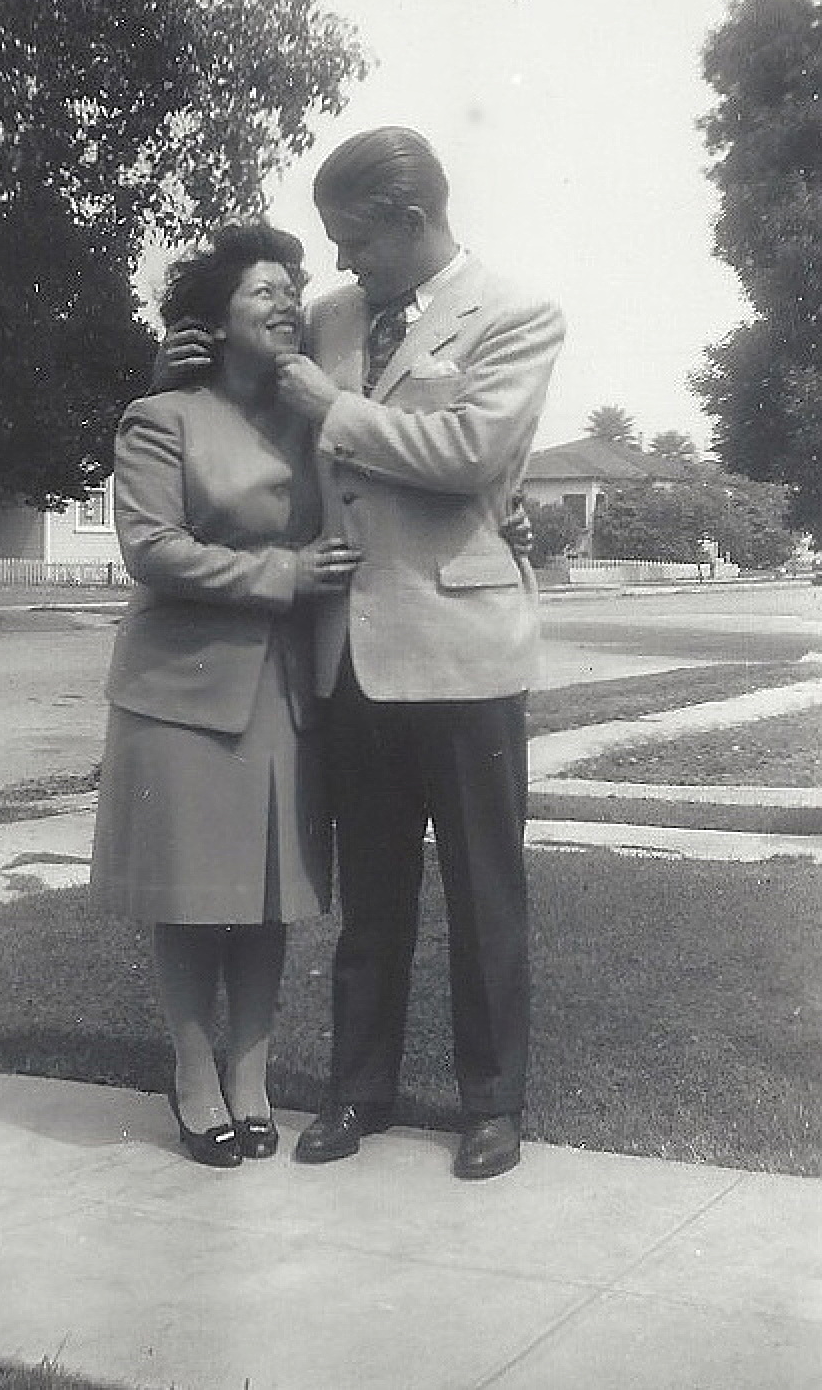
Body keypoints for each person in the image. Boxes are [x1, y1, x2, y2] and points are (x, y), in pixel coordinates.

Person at [157, 128, 564, 1180]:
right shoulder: (332, 319)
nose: (338, 266)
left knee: (485, 893)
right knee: (370, 897)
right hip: (346, 656)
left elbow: (471, 453)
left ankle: (491, 1107)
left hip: (465, 650)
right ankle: (357, 1093)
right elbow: (241, 401)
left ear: (413, 222)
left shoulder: (517, 315)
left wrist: (332, 407)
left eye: (353, 242)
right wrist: (173, 368)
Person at [90, 222, 361, 1168]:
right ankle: (194, 1073)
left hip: (286, 694)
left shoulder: (313, 420)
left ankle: (253, 1072)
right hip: (184, 694)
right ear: (212, 320)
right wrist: (284, 573)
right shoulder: (160, 417)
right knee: (192, 898)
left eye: (294, 287)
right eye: (264, 292)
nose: (289, 301)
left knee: (265, 897)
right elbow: (151, 550)